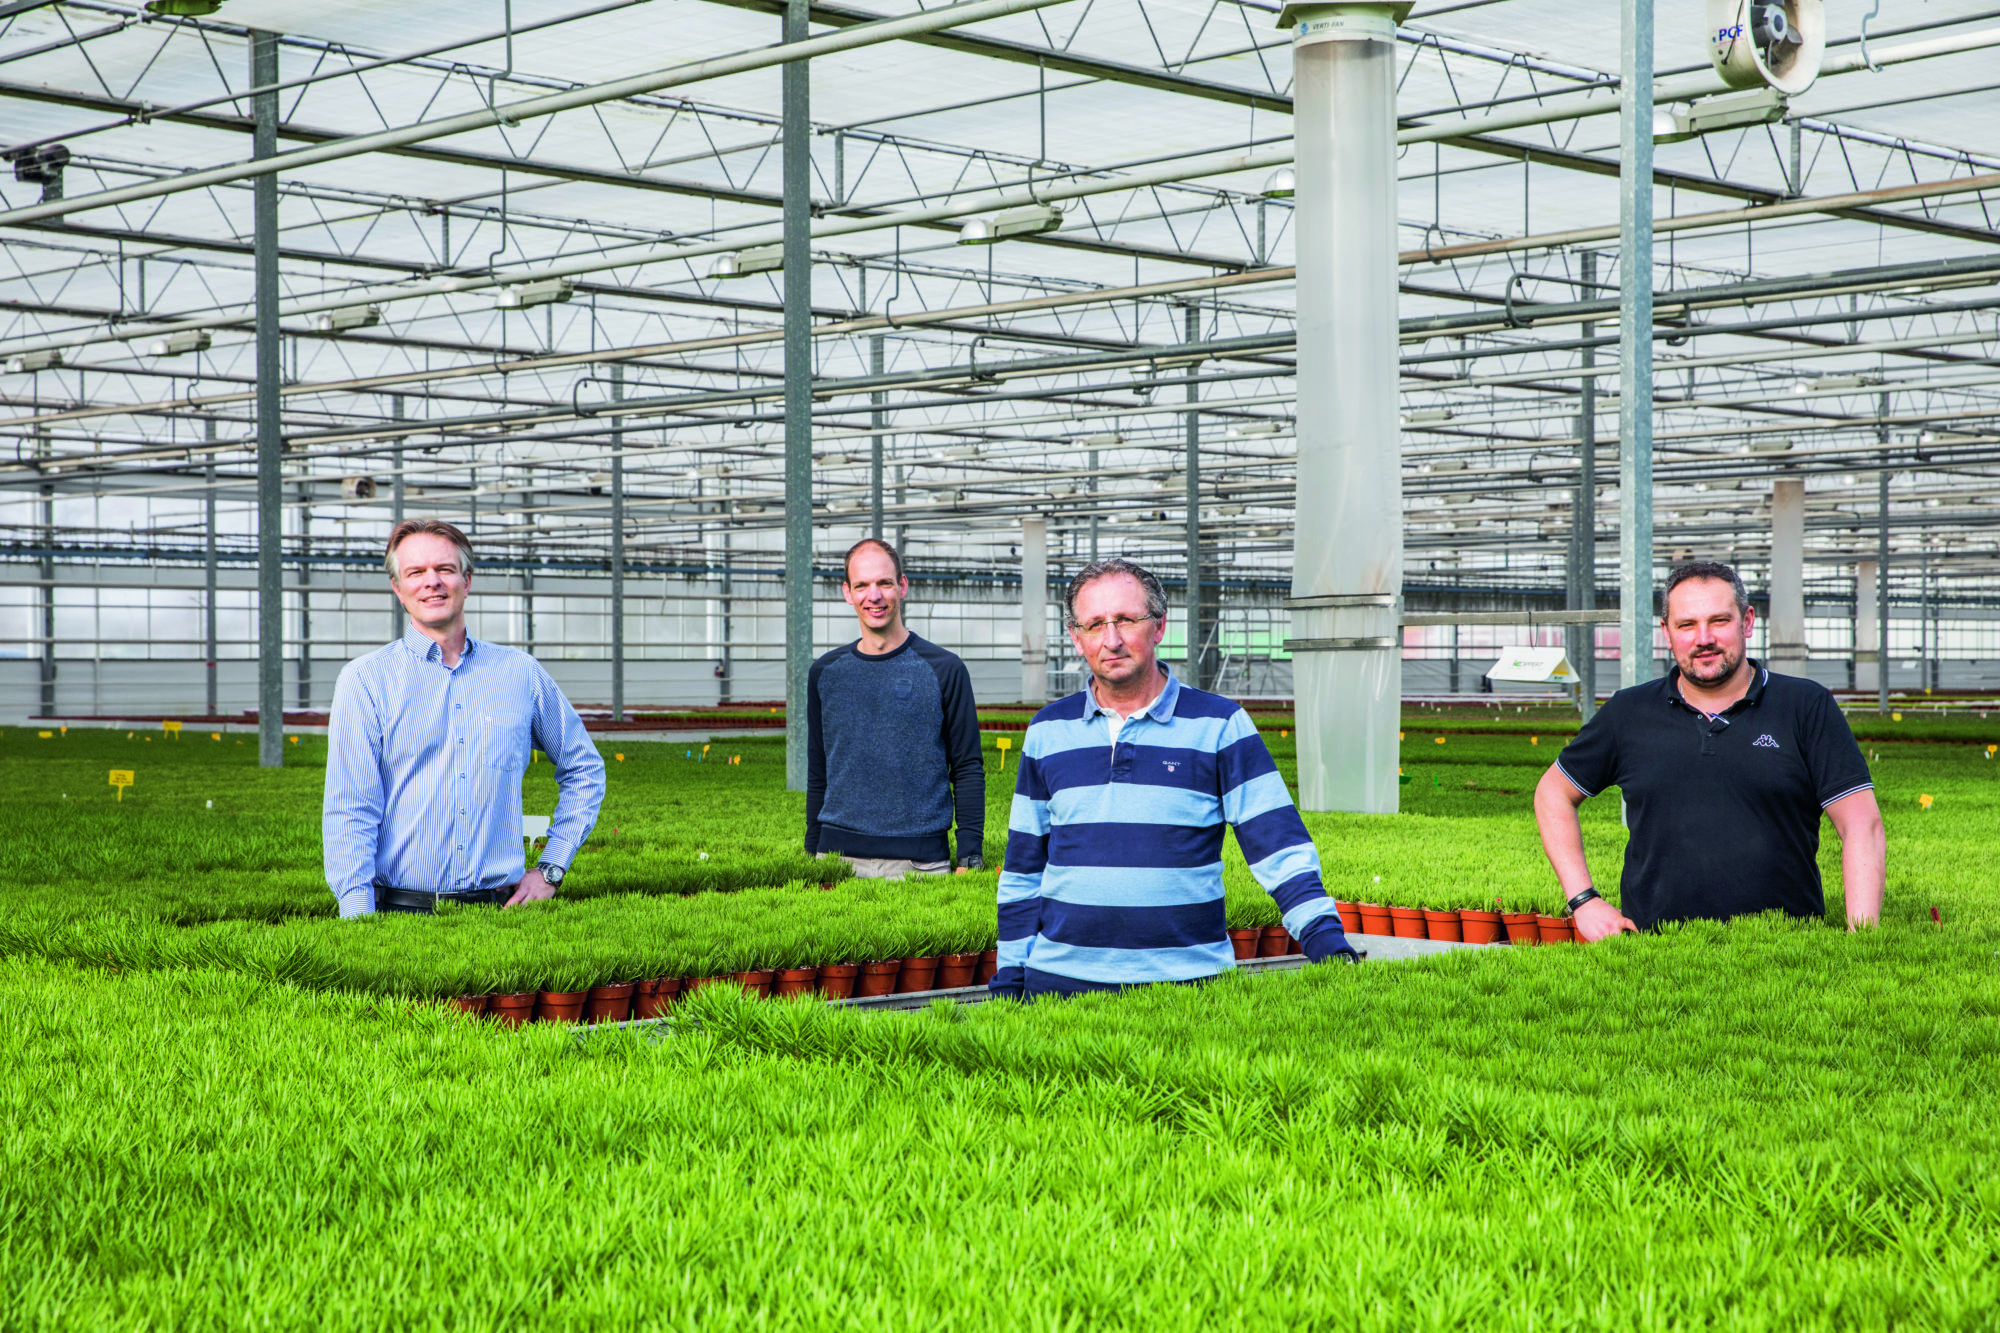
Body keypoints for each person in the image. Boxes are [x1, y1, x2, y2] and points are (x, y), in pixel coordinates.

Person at [990, 557, 1356, 1000]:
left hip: (1189, 987)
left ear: (1159, 626)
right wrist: (1011, 974)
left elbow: (1278, 847)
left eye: (1126, 620)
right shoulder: (1047, 731)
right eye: (1095, 624)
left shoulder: (1220, 725)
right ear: (1075, 636)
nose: (1111, 639)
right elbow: (1023, 869)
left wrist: (1326, 941)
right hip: (1058, 984)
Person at [1533, 560, 1885, 941]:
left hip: (1785, 951)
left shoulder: (1805, 706)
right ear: (1667, 632)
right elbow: (1553, 793)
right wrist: (1584, 901)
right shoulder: (1628, 713)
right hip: (1653, 951)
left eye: (1719, 621)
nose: (1703, 638)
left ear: (1747, 621)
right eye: (1687, 625)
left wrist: (1861, 943)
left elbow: (1861, 825)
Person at [323, 518, 606, 917]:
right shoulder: (365, 680)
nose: (432, 582)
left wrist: (551, 868)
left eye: (445, 569)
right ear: (398, 588)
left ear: (467, 580)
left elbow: (584, 767)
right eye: (416, 572)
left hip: (503, 916)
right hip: (400, 914)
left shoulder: (519, 673)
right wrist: (359, 920)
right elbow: (350, 807)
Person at [805, 538, 985, 878]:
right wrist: (811, 854)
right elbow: (819, 771)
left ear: (902, 586)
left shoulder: (945, 669)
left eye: (884, 583)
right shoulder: (825, 673)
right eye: (862, 585)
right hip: (835, 860)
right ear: (847, 593)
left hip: (921, 864)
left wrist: (969, 856)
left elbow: (967, 767)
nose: (873, 596)